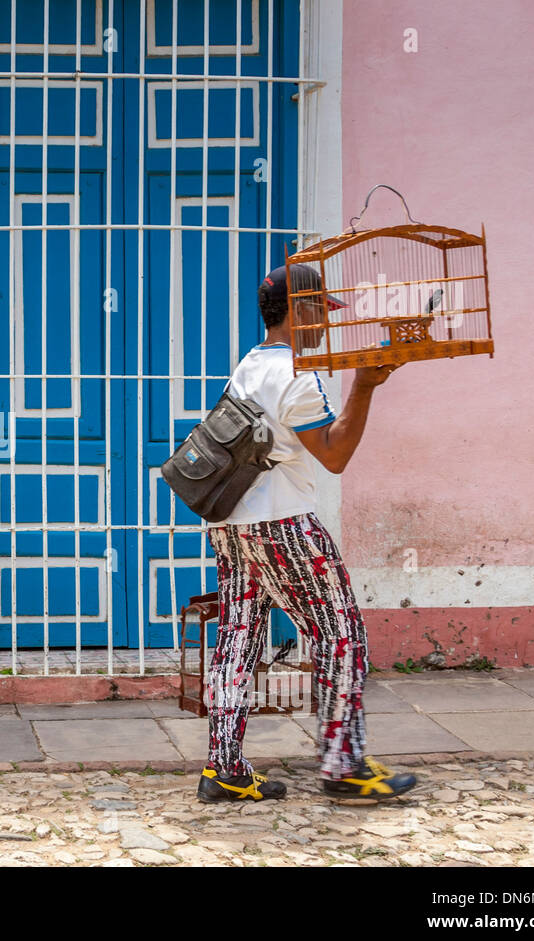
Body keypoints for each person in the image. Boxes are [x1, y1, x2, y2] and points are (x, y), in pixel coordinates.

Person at [196, 263, 418, 802]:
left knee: (238, 638)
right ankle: (343, 765)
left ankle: (223, 769)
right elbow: (336, 456)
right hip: (284, 523)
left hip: (230, 522)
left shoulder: (249, 364)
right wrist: (365, 387)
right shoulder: (301, 372)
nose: (326, 324)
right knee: (341, 636)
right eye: (322, 311)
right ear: (301, 310)